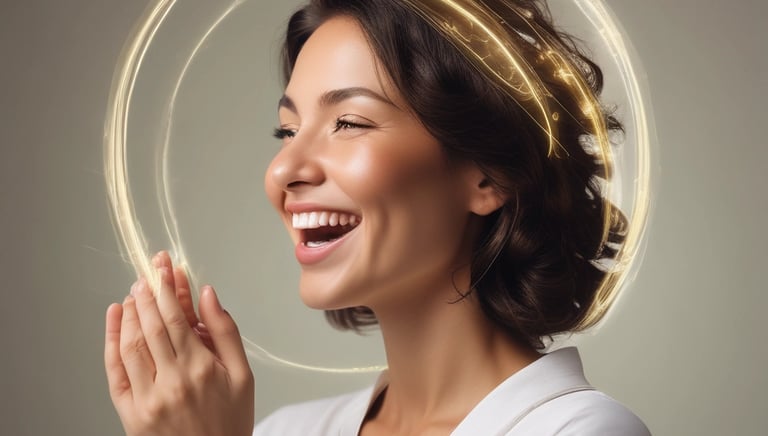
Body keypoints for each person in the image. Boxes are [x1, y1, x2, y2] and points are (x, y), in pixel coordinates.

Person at [104, 0, 651, 434]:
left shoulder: (578, 430)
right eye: (287, 131)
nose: (283, 171)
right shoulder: (283, 431)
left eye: (349, 122)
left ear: (488, 174)